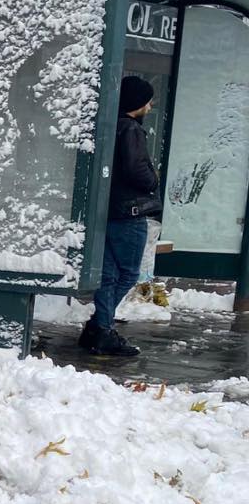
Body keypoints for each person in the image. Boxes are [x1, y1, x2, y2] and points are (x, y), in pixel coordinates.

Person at [79, 76, 159, 357]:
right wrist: (153, 180)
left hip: (108, 213)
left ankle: (99, 328)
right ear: (137, 102)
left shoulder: (109, 127)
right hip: (129, 214)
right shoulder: (132, 130)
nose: (150, 105)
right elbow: (137, 170)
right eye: (148, 100)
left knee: (109, 276)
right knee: (128, 275)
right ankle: (101, 329)